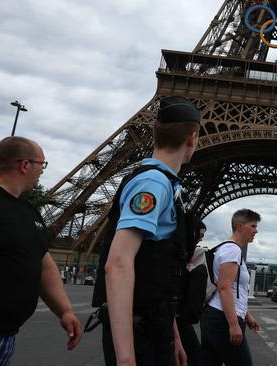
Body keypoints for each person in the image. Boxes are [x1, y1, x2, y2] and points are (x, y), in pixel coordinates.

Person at [92, 95, 201, 366]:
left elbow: (159, 277)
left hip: (155, 327)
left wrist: (172, 336)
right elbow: (118, 263)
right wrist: (126, 358)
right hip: (140, 334)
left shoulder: (166, 184)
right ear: (192, 137)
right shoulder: (153, 182)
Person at [0, 136, 83, 365]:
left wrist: (65, 311)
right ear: (24, 165)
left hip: (6, 336)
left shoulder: (28, 212)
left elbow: (43, 264)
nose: (43, 170)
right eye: (42, 164)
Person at [199, 209, 261, 366]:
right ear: (240, 227)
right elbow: (224, 288)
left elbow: (233, 289)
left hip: (214, 315)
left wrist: (246, 315)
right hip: (223, 319)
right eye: (253, 226)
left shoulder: (227, 248)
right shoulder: (232, 250)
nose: (256, 230)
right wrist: (233, 324)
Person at [176, 220, 207, 366]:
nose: (201, 238)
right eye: (200, 235)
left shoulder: (185, 253)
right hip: (175, 316)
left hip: (176, 316)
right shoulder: (179, 254)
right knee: (194, 355)